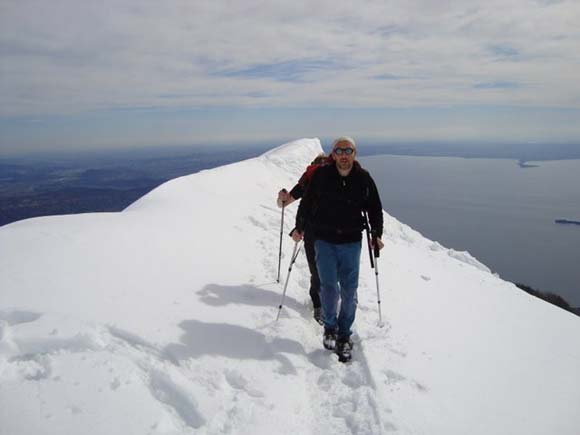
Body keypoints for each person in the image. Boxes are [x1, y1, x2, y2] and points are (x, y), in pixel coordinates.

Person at [291, 136, 384, 362]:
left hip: (351, 242)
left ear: (355, 153)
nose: (343, 155)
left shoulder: (363, 178)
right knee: (329, 288)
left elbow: (375, 209)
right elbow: (307, 202)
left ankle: (344, 334)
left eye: (348, 150)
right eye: (339, 151)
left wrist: (377, 234)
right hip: (324, 240)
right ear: (333, 154)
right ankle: (330, 328)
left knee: (349, 292)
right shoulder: (322, 176)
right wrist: (299, 227)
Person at [277, 153, 329, 324]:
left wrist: (282, 198)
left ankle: (318, 304)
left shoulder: (307, 180)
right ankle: (321, 305)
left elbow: (283, 203)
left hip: (312, 232)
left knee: (316, 270)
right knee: (325, 271)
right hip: (330, 233)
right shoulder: (323, 179)